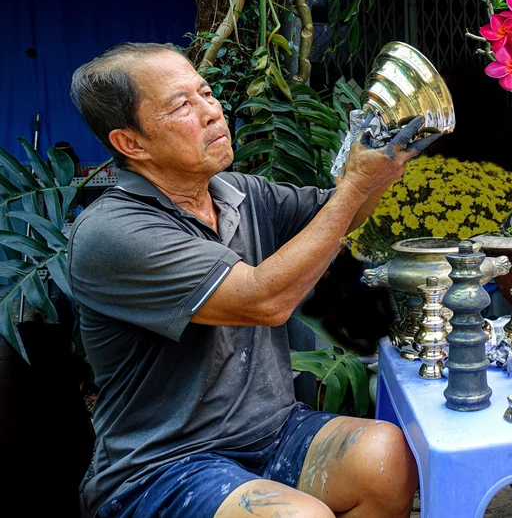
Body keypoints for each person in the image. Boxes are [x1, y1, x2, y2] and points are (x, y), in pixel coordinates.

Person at [68, 42, 434, 518]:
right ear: (131, 143)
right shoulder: (114, 232)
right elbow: (264, 301)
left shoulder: (238, 192)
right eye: (181, 105)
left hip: (272, 432)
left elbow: (336, 213)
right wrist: (357, 185)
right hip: (163, 465)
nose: (211, 111)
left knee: (387, 458)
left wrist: (383, 163)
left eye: (205, 93)